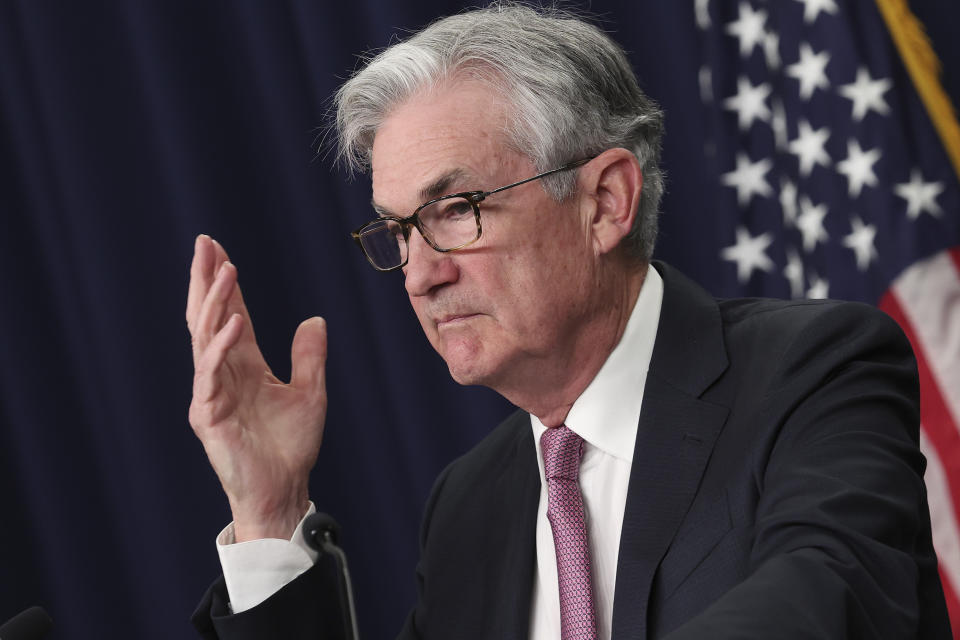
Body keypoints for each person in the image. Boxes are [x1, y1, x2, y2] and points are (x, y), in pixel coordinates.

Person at [186, 3, 951, 638]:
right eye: (398, 232)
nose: (420, 274)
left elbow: (825, 603)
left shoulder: (811, 372)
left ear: (606, 202)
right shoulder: (468, 508)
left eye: (456, 210)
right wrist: (269, 511)